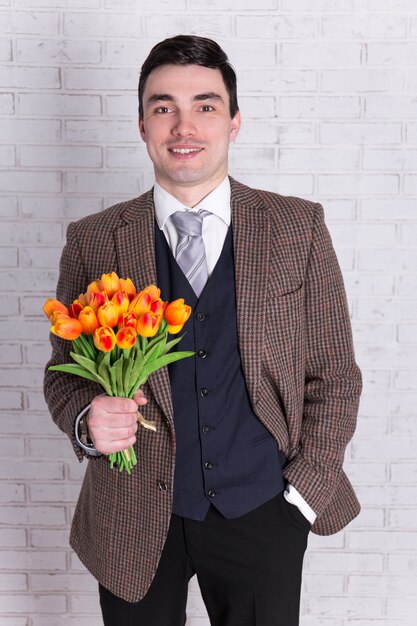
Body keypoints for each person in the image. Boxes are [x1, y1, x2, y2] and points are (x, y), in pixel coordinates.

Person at [44, 35, 362, 626]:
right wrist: (90, 421)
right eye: (164, 107)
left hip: (263, 509)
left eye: (206, 106)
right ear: (142, 125)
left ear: (234, 122)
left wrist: (300, 496)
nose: (183, 126)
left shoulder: (298, 228)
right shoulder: (94, 240)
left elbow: (336, 377)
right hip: (132, 517)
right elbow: (63, 376)